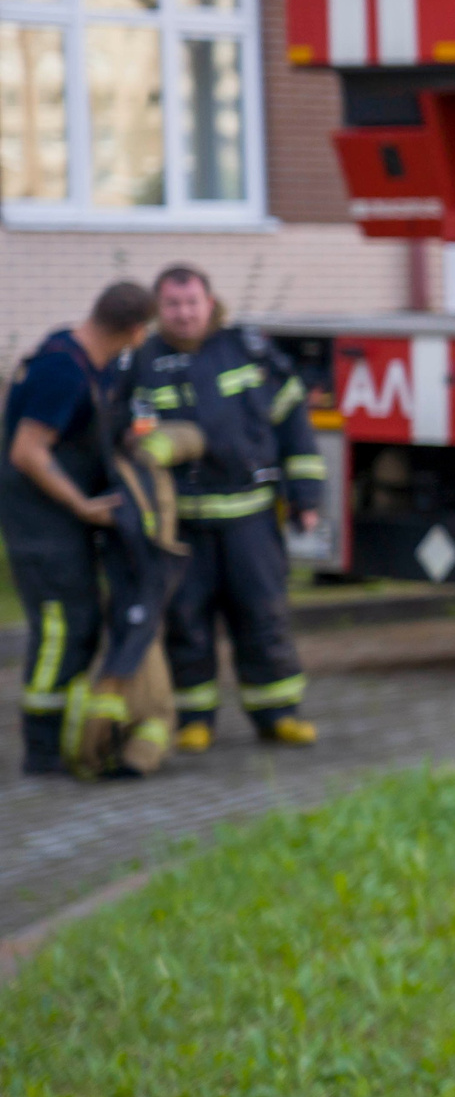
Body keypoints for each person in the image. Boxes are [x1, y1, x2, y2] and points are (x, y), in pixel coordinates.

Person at [128, 266, 323, 750]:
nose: (184, 313)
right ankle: (194, 719)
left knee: (263, 616)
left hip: (250, 518)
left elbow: (292, 423)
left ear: (210, 302)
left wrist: (306, 497)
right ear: (159, 310)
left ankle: (278, 713)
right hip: (183, 524)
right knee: (186, 621)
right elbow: (126, 442)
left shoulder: (247, 351)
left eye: (192, 302)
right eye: (173, 305)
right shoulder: (143, 364)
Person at [2, 282, 156, 775]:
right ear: (135, 331)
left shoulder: (87, 358)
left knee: (82, 625)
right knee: (59, 631)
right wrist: (84, 505)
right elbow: (27, 452)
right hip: (42, 525)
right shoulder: (62, 371)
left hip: (61, 524)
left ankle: (69, 737)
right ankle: (41, 749)